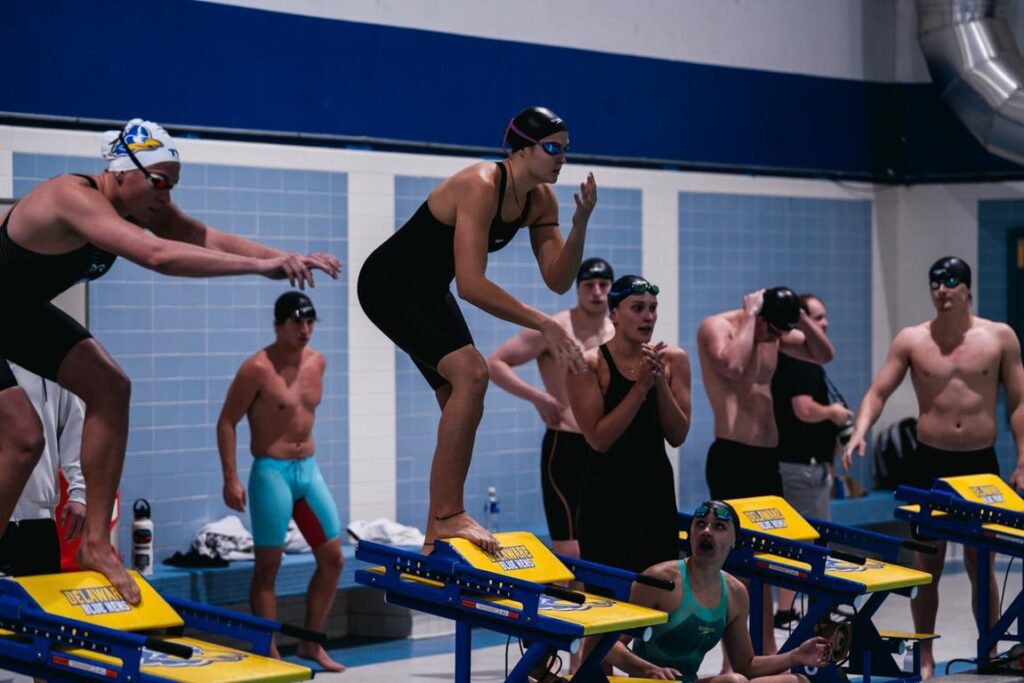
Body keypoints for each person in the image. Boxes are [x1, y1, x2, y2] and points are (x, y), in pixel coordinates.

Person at [0, 119, 340, 603]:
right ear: (121, 171)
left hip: (15, 314)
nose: (165, 196)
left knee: (112, 387)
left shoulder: (141, 204)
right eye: (159, 182)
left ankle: (96, 544)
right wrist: (259, 266)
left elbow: (206, 237)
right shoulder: (70, 196)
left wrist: (284, 257)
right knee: (24, 436)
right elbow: (158, 255)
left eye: (172, 186)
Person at [358, 107, 597, 552]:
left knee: (458, 395)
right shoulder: (481, 184)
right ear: (522, 148)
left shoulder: (541, 199)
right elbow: (471, 285)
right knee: (473, 374)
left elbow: (558, 280)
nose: (561, 158)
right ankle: (449, 516)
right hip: (388, 284)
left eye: (565, 150)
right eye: (551, 148)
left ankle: (435, 536)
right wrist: (544, 324)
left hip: (427, 292)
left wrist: (580, 227)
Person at [843, 256, 1024, 678]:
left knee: (982, 565)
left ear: (968, 289)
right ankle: (923, 657)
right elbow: (878, 391)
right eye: (935, 283)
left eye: (951, 282)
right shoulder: (912, 340)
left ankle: (990, 649)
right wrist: (859, 431)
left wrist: (1022, 461)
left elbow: (1018, 402)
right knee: (928, 566)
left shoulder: (999, 338)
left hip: (980, 466)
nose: (942, 290)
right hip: (930, 464)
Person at [697, 286, 835, 655]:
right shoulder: (718, 327)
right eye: (771, 330)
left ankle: (767, 653)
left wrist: (801, 315)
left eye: (780, 332)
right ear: (757, 314)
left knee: (766, 563)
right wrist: (751, 315)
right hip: (732, 458)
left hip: (766, 461)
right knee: (735, 566)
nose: (775, 339)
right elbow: (733, 366)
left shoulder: (773, 332)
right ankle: (733, 661)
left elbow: (823, 354)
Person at [217, 292, 344, 672]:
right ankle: (268, 651)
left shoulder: (317, 362)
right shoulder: (256, 368)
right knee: (268, 568)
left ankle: (309, 644)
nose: (305, 330)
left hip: (309, 470)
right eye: (296, 323)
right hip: (271, 472)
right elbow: (226, 421)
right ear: (278, 325)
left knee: (334, 559)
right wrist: (231, 478)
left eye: (310, 322)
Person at [604, 500, 832, 682]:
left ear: (734, 541)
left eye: (719, 526)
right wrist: (648, 670)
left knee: (797, 680)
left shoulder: (735, 593)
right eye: (700, 524)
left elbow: (746, 665)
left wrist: (795, 655)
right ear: (690, 533)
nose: (706, 531)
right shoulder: (660, 580)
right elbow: (608, 644)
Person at [487, 257, 615, 559]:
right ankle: (572, 606)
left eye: (603, 285)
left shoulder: (616, 333)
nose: (597, 292)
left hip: (607, 446)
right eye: (589, 285)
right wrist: (537, 397)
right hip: (565, 444)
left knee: (606, 537)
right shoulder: (554, 329)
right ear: (578, 289)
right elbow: (495, 363)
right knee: (569, 546)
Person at [566, 275, 691, 576]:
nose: (648, 317)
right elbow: (599, 439)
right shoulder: (588, 364)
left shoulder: (674, 360)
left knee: (659, 594)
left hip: (655, 492)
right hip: (605, 494)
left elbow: (677, 435)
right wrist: (640, 388)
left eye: (653, 308)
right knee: (610, 598)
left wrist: (659, 381)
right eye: (637, 308)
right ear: (614, 315)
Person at [769, 294, 851, 629]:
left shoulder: (801, 359)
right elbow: (803, 408)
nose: (825, 323)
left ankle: (800, 609)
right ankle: (790, 611)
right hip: (800, 466)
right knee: (804, 540)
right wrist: (833, 413)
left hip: (802, 464)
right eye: (816, 318)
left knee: (806, 539)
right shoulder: (801, 360)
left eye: (824, 317)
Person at [0, 362, 86, 578]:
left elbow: (74, 429)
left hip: (37, 524)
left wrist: (80, 492)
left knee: (41, 608)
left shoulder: (47, 361)